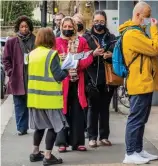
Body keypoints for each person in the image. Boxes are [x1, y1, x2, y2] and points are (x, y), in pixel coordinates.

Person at [119, 2, 158, 164]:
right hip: (138, 83)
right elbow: (154, 49)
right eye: (147, 16)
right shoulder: (132, 34)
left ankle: (138, 149)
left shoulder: (138, 32)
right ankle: (130, 153)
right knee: (136, 119)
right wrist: (154, 30)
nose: (149, 20)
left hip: (144, 82)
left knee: (141, 119)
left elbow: (152, 49)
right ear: (138, 15)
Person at [55, 16, 104, 152]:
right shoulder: (57, 41)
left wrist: (76, 64)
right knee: (62, 111)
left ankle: (77, 142)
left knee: (78, 111)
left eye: (70, 27)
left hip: (78, 81)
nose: (67, 29)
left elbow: (88, 58)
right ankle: (62, 142)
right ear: (61, 27)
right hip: (63, 82)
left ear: (75, 28)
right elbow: (53, 61)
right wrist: (64, 64)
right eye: (65, 27)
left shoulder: (82, 41)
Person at [28, 27, 68, 165]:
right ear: (51, 39)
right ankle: (48, 156)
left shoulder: (31, 54)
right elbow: (59, 76)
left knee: (40, 127)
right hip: (50, 99)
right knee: (53, 127)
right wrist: (67, 68)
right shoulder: (52, 55)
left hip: (34, 98)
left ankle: (35, 153)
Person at [83, 10, 116, 148]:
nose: (99, 24)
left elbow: (119, 55)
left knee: (104, 108)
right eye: (96, 21)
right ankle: (92, 137)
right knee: (92, 108)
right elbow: (81, 54)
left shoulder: (112, 37)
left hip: (108, 77)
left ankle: (104, 136)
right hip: (91, 77)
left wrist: (111, 55)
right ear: (92, 22)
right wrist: (93, 53)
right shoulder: (86, 37)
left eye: (101, 21)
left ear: (105, 22)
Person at [3, 15, 36, 136]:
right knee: (19, 104)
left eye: (26, 26)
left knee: (31, 104)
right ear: (18, 27)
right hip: (17, 77)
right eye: (22, 26)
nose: (24, 29)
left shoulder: (35, 40)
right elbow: (6, 59)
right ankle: (21, 128)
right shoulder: (11, 41)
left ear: (29, 27)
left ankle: (34, 125)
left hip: (32, 76)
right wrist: (10, 72)